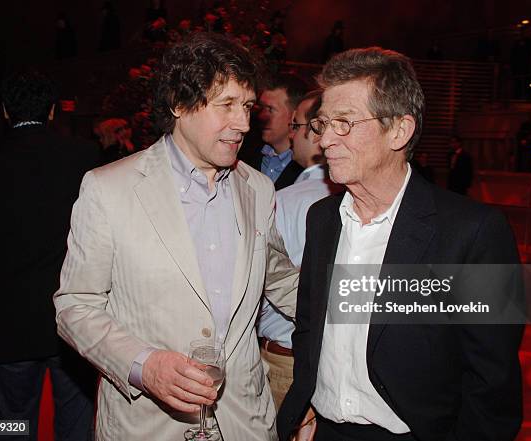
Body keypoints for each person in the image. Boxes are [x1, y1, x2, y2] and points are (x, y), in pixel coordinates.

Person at [53, 33, 299, 441]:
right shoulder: (108, 189)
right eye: (227, 105)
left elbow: (282, 280)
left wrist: (365, 309)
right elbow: (75, 305)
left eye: (248, 107)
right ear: (180, 104)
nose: (242, 123)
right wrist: (143, 365)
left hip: (244, 423)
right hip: (147, 425)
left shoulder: (257, 189)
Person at [277, 47, 524, 441]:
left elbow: (492, 383)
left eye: (345, 123)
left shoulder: (474, 232)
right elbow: (309, 325)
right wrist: (308, 397)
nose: (325, 141)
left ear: (399, 130)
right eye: (323, 124)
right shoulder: (322, 219)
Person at [0, 70, 99, 440]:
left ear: (6, 112)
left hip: (11, 316)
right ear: (53, 111)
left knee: (11, 420)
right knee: (75, 420)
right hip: (71, 314)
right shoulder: (84, 155)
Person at [258, 89, 343, 410]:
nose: (292, 135)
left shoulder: (287, 200)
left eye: (297, 126)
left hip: (285, 360)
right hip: (334, 360)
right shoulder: (354, 199)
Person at [241, 73, 308, 190]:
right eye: (261, 108)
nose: (262, 116)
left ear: (294, 115)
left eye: (270, 109)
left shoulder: (307, 167)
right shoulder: (245, 153)